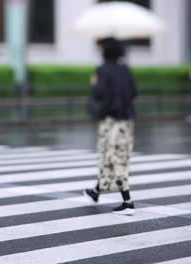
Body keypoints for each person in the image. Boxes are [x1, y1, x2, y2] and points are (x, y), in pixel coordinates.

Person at [84, 37, 138, 215]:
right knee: (112, 157)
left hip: (110, 120)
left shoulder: (102, 70)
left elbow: (99, 93)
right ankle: (95, 192)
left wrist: (94, 82)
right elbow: (134, 92)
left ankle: (128, 202)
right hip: (126, 119)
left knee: (114, 158)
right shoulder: (125, 69)